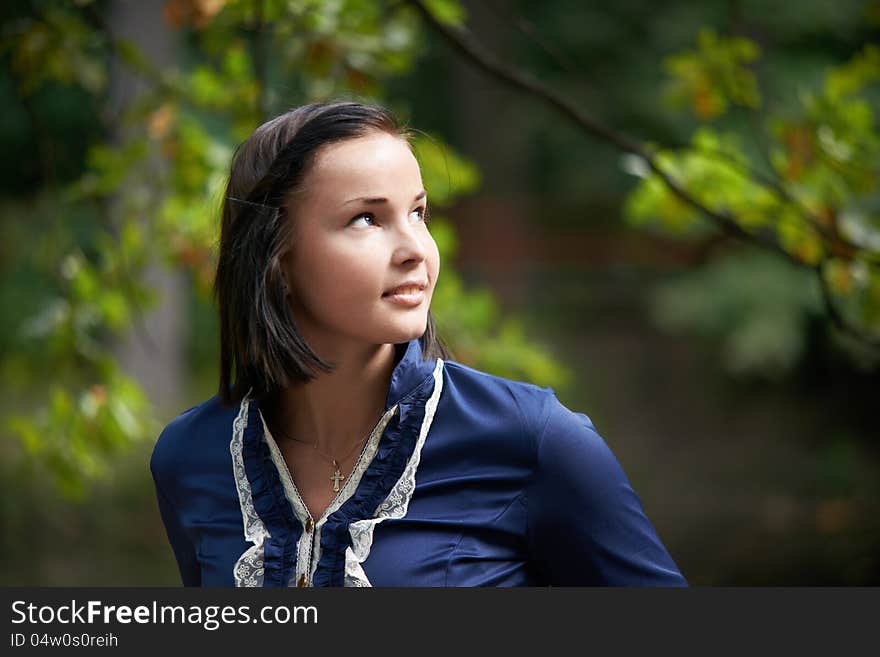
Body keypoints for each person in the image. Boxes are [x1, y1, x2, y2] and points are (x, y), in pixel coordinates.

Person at [150, 100, 687, 587]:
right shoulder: (191, 458)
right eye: (367, 218)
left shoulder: (534, 441)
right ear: (278, 259)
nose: (416, 249)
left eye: (418, 213)